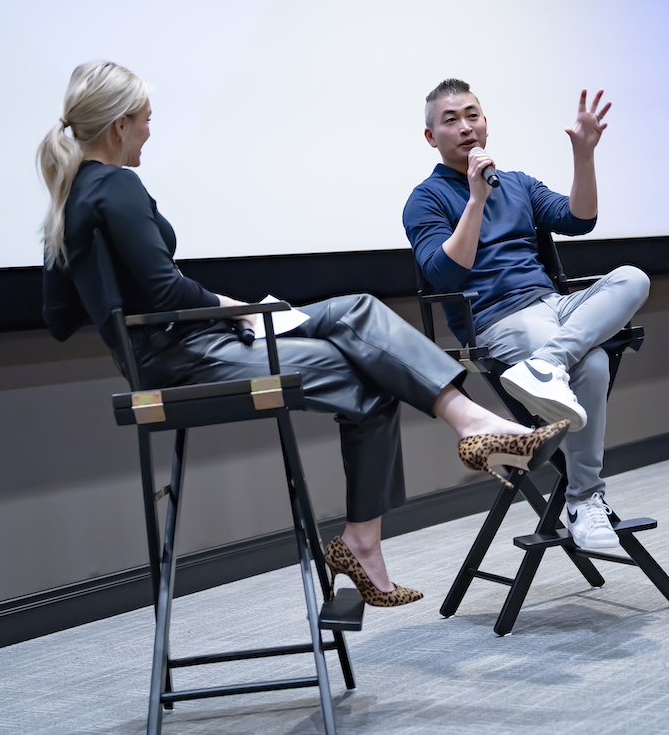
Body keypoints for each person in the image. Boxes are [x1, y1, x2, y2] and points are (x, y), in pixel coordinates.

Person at [39, 61, 569, 608]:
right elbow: (166, 290)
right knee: (366, 372)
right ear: (120, 125)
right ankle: (431, 470)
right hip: (187, 356)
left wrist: (123, 292)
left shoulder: (70, 196)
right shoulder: (117, 186)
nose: (151, 131)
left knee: (360, 315)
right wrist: (232, 309)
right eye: (147, 120)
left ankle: (427, 473)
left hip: (179, 349)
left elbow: (59, 320)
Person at [403, 78, 650, 550]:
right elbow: (444, 274)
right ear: (432, 137)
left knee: (632, 278)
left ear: (486, 124)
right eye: (450, 120)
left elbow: (579, 220)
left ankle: (549, 364)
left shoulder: (517, 184)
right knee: (593, 362)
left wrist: (584, 155)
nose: (465, 127)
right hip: (499, 319)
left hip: (553, 306)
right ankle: (584, 499)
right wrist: (474, 199)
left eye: (473, 115)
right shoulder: (426, 199)